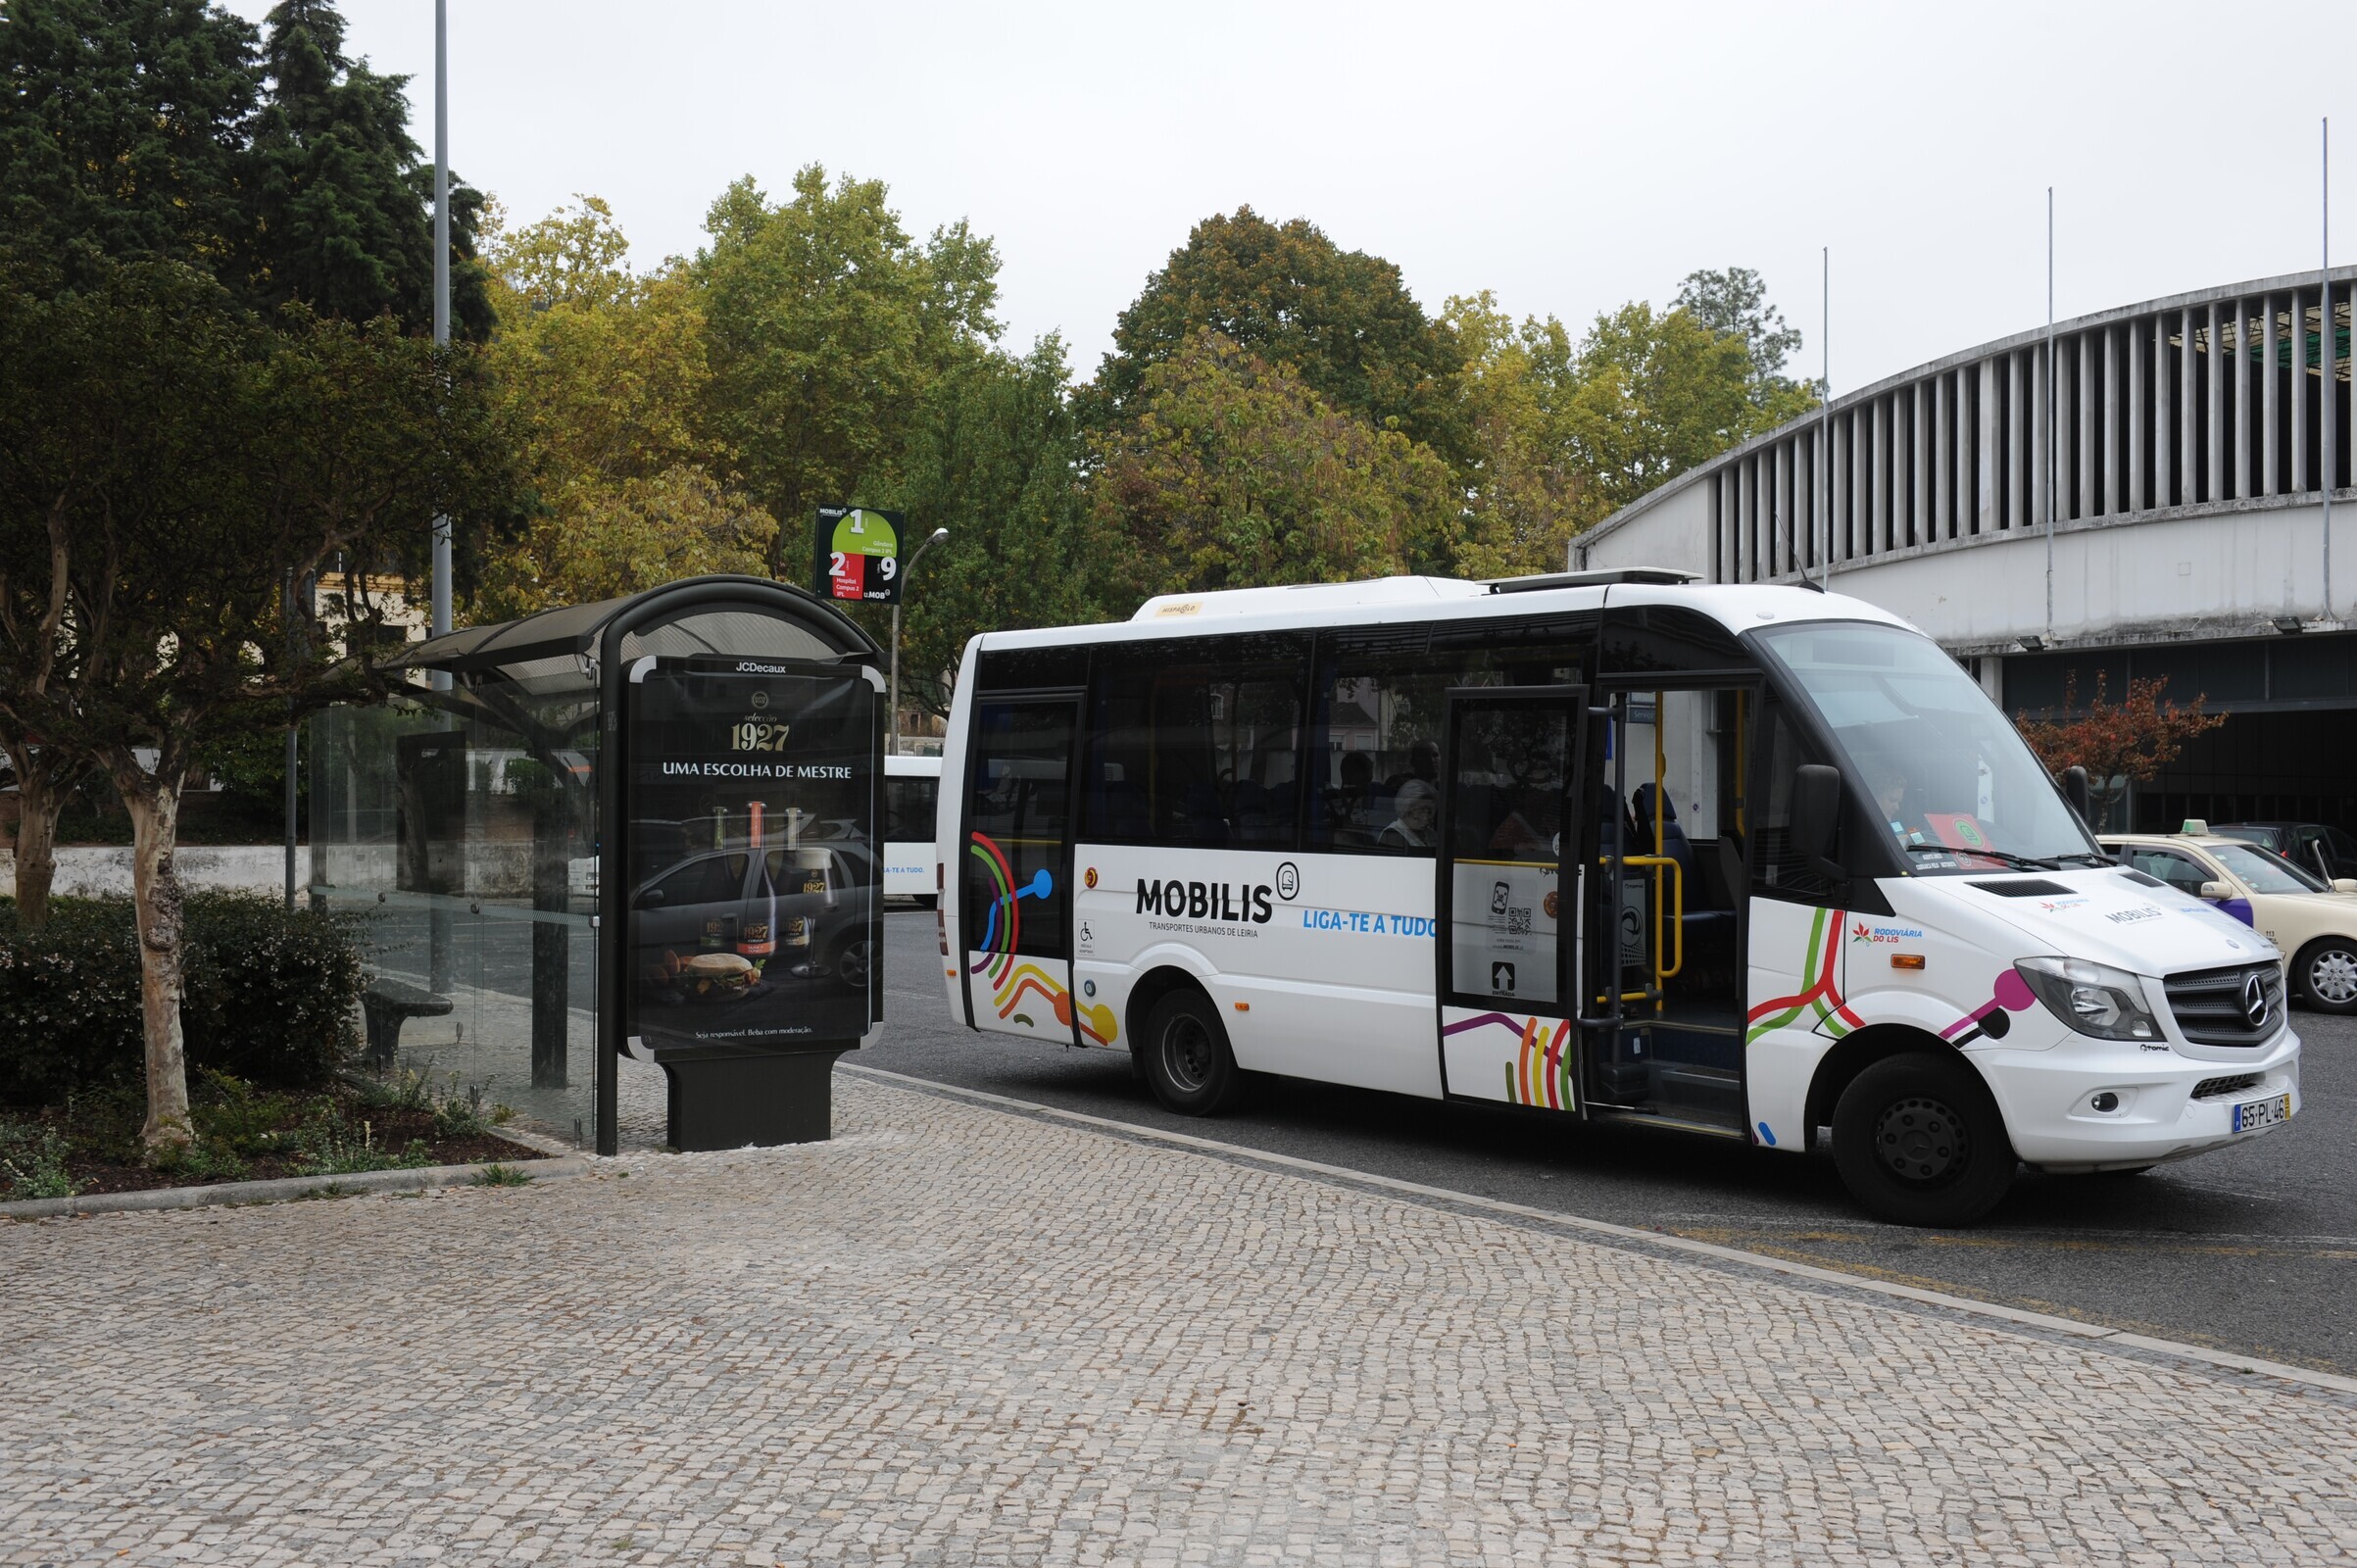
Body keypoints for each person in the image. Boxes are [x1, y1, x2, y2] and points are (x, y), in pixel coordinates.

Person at [1380, 778, 1439, 849]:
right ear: (1405, 809)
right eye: (1420, 810)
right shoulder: (1392, 835)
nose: (1425, 817)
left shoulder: (1431, 834)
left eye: (1430, 811)